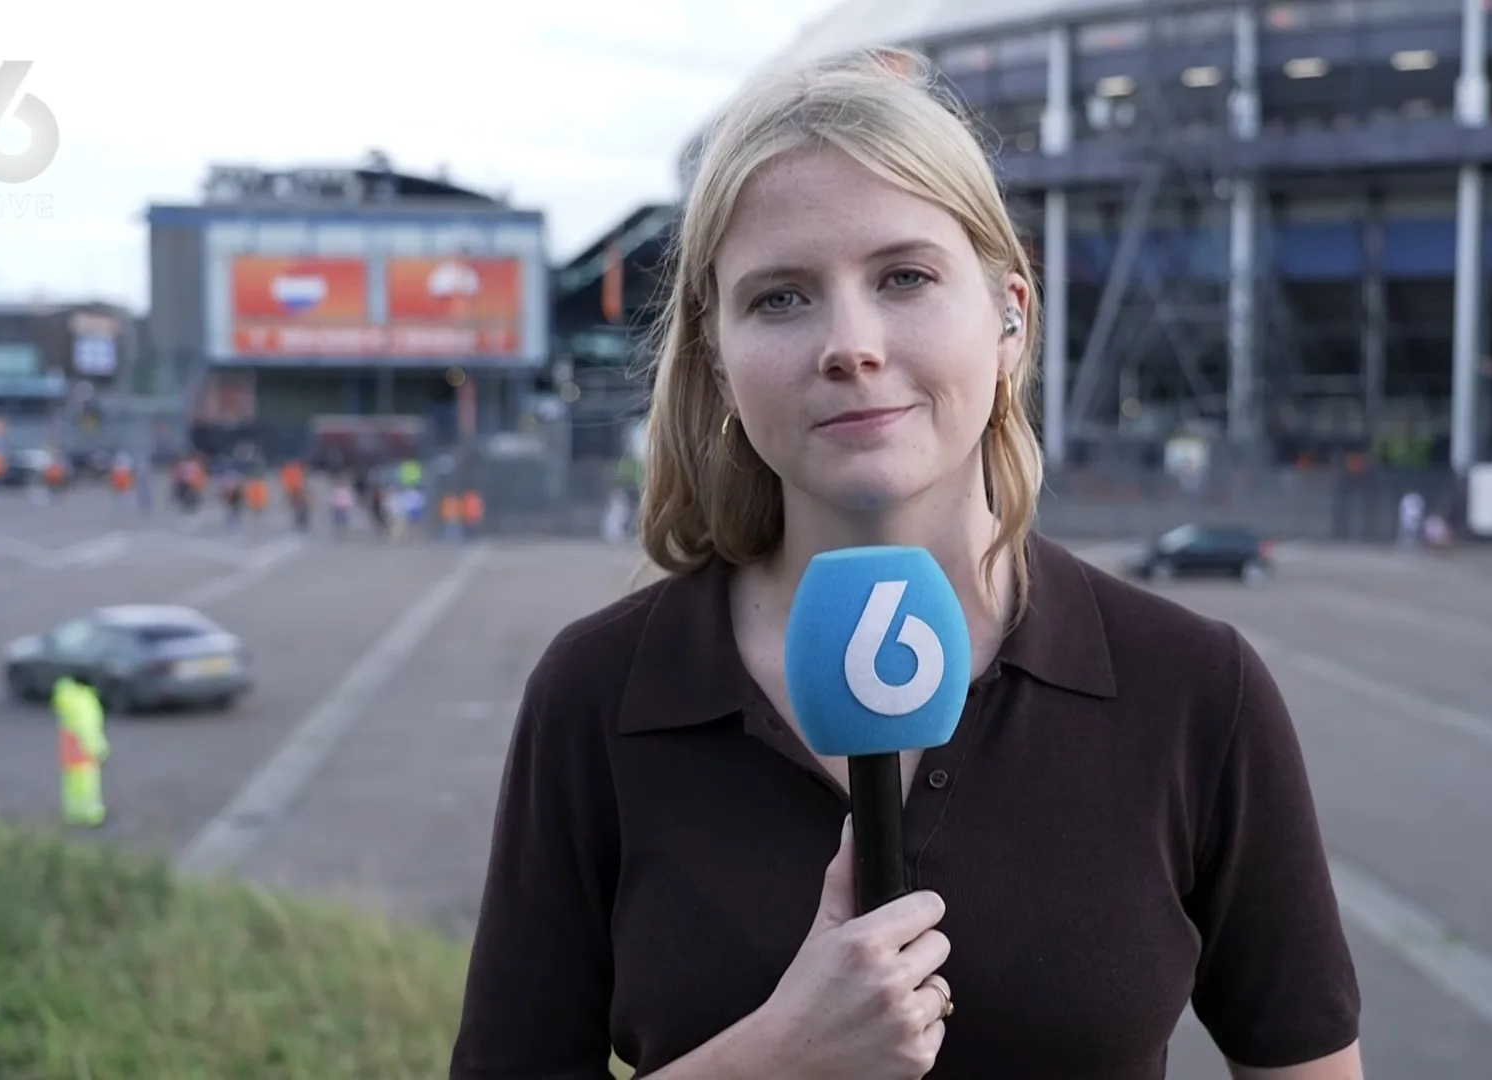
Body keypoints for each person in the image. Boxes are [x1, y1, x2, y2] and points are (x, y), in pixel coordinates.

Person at [449, 47, 1361, 1080]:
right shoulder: (598, 695)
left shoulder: (1196, 692)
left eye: (905, 277)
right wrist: (775, 1062)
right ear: (716, 355)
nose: (852, 343)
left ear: (1009, 312)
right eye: (781, 298)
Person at [52, 676, 109, 827]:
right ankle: (91, 814)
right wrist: (99, 749)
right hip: (84, 750)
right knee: (88, 784)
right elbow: (88, 729)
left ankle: (74, 813)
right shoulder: (85, 702)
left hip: (69, 748)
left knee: (71, 784)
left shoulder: (67, 698)